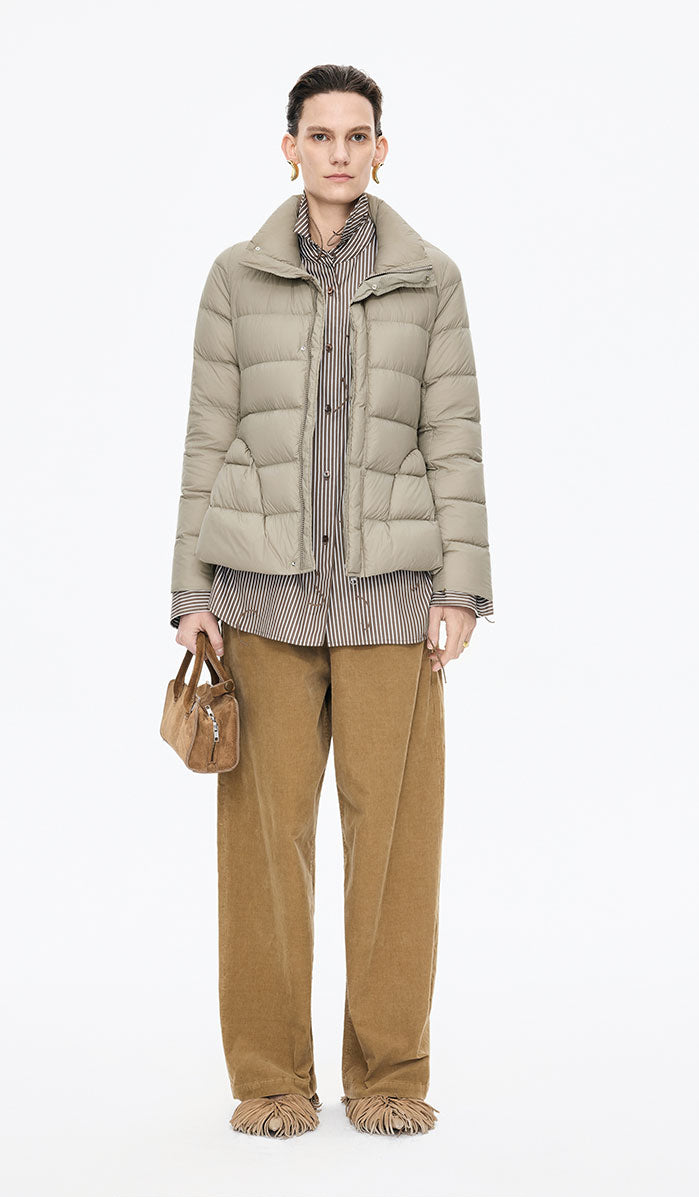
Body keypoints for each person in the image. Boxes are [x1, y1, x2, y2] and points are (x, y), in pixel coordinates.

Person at [169, 64, 494, 1138]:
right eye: (321, 134)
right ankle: (272, 1078)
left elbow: (453, 435)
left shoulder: (431, 280)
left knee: (394, 847)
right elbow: (208, 434)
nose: (340, 152)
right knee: (265, 851)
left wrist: (462, 586)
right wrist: (190, 588)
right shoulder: (236, 277)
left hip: (390, 604)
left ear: (381, 150)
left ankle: (389, 1074)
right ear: (290, 148)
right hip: (260, 602)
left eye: (359, 135)